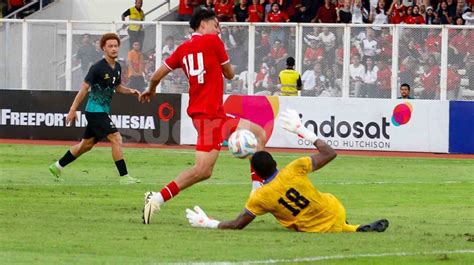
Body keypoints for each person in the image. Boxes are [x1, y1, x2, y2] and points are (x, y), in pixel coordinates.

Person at [139, 9, 267, 225]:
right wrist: (219, 65)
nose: (218, 30)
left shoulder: (182, 49)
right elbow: (230, 74)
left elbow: (157, 74)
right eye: (216, 25)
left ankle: (257, 192)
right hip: (208, 116)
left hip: (213, 113)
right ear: (204, 24)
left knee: (259, 133)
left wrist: (151, 89)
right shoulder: (213, 42)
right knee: (203, 170)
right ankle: (157, 198)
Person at [185, 109, 390, 233]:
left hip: (312, 230)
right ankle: (351, 227)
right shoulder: (294, 168)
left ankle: (351, 228)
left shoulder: (260, 197)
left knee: (325, 225)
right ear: (274, 163)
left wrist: (208, 223)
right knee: (338, 220)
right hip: (334, 211)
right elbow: (330, 153)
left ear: (255, 172)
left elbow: (238, 224)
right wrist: (302, 130)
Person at [48, 33, 141, 185]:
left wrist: (131, 91)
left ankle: (56, 166)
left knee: (86, 145)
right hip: (94, 111)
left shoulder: (117, 67)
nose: (113, 49)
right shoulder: (97, 68)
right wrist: (73, 109)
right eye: (110, 46)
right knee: (116, 138)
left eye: (116, 46)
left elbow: (117, 87)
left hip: (102, 111)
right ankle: (124, 177)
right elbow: (84, 88)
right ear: (103, 48)